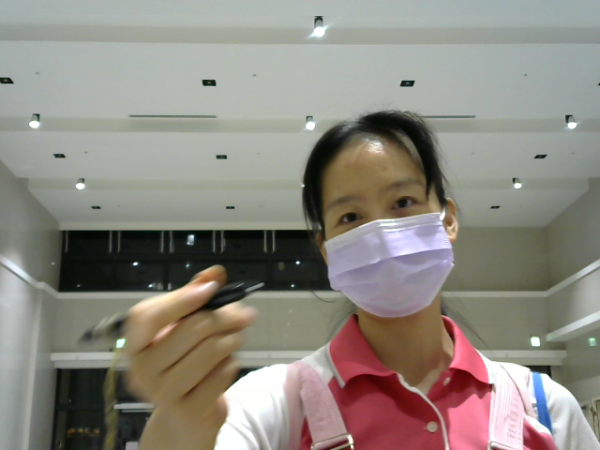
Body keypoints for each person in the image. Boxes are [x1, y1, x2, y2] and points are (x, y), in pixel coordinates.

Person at [124, 111, 599, 449]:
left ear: (448, 219)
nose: (382, 233)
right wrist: (180, 417)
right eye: (350, 216)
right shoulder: (274, 404)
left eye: (403, 203)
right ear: (326, 249)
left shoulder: (544, 408)